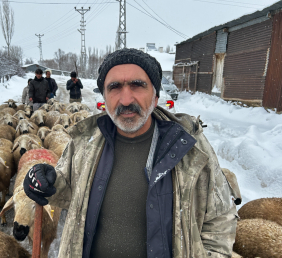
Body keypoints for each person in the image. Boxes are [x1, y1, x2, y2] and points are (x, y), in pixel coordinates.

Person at [24, 49, 237, 258]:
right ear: (104, 100)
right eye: (114, 87)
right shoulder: (84, 143)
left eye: (137, 85)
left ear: (155, 97)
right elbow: (69, 192)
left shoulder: (189, 147)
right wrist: (46, 182)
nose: (126, 100)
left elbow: (220, 219)